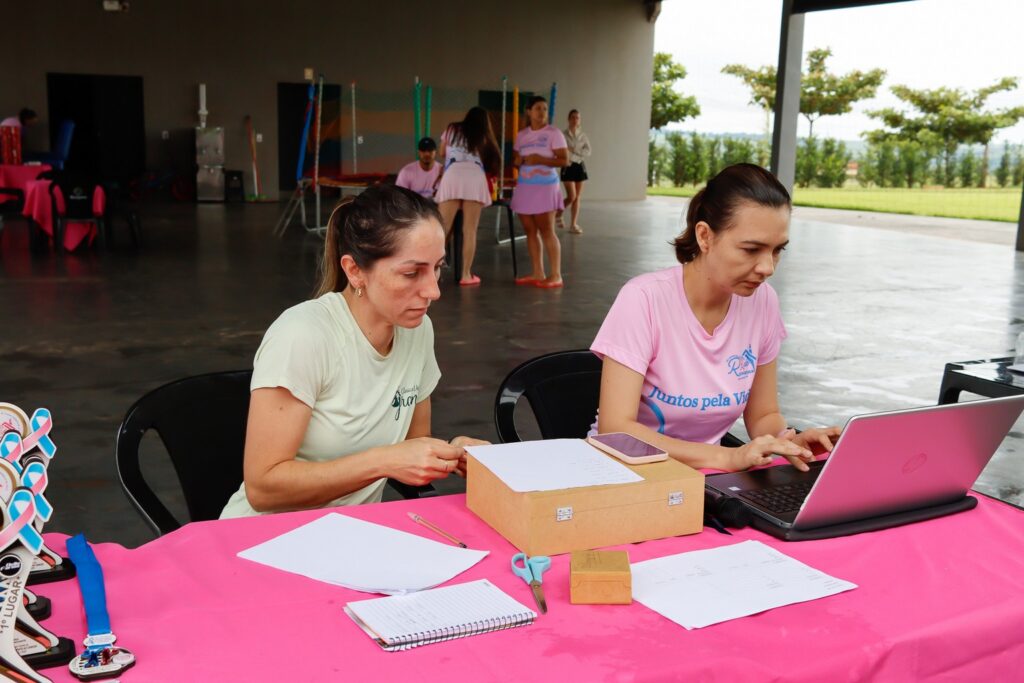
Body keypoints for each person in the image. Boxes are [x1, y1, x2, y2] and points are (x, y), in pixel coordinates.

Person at [220, 184, 487, 518]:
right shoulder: (303, 335)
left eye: (437, 267)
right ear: (355, 270)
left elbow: (412, 444)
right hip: (261, 540)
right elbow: (263, 488)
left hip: (348, 539)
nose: (433, 290)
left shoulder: (417, 331)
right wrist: (382, 461)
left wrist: (453, 452)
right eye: (411, 273)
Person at [591, 163, 841, 472]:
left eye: (777, 250)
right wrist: (725, 457)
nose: (768, 267)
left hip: (707, 480)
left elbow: (763, 414)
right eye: (751, 249)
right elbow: (616, 430)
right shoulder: (643, 300)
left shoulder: (763, 302)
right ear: (705, 236)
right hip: (628, 475)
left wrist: (787, 441)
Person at [435, 107, 501, 286]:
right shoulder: (483, 134)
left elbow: (442, 152)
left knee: (442, 229)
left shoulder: (452, 129)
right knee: (470, 230)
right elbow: (492, 158)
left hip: (453, 174)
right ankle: (466, 274)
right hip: (474, 176)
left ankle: (431, 272)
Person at [511, 96, 569, 288]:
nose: (542, 112)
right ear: (529, 111)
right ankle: (537, 272)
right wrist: (518, 161)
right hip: (525, 187)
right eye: (537, 108)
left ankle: (556, 274)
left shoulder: (554, 133)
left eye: (544, 109)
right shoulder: (521, 135)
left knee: (547, 230)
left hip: (545, 187)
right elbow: (516, 158)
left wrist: (540, 159)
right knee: (530, 230)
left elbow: (564, 161)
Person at [557, 109, 591, 235]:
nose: (575, 120)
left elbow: (588, 151)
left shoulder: (583, 135)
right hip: (567, 165)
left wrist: (575, 150)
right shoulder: (562, 135)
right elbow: (562, 150)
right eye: (573, 117)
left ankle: (573, 224)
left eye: (577, 117)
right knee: (571, 196)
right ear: (569, 119)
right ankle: (558, 213)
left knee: (577, 197)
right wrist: (570, 152)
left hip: (580, 166)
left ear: (579, 120)